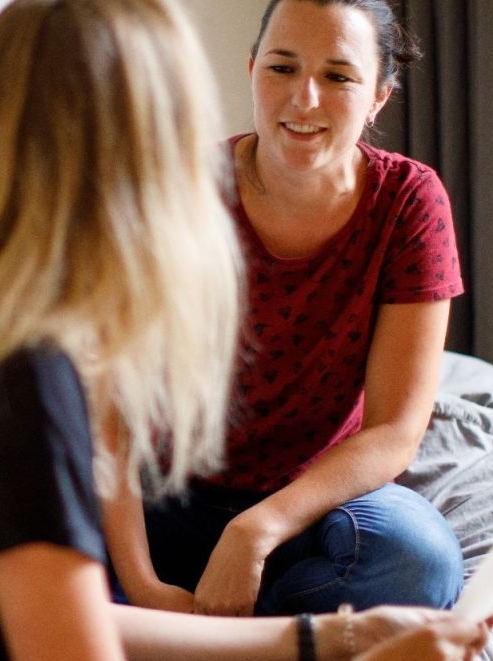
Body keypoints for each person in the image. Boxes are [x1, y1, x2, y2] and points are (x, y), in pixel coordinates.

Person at [0, 0, 493, 661]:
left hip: (226, 544)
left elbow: (76, 626)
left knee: (411, 560)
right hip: (149, 527)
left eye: (337, 75)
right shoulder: (22, 385)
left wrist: (330, 643)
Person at [104, 0, 468, 618]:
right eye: (281, 68)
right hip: (161, 497)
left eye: (338, 76)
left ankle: (224, 627)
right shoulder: (179, 190)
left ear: (379, 94)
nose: (304, 99)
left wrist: (256, 529)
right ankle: (222, 624)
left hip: (311, 503)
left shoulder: (409, 201)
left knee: (417, 563)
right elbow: (110, 408)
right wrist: (141, 585)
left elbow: (394, 431)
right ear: (251, 71)